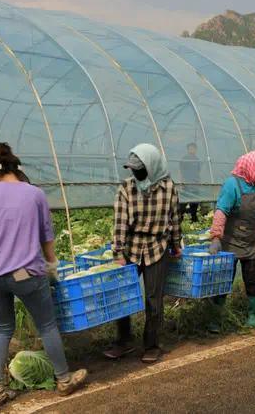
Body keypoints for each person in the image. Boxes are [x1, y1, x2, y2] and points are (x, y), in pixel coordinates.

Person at [0, 143, 87, 414]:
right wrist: (53, 268)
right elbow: (47, 238)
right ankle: (64, 379)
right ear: (18, 172)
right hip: (27, 275)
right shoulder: (35, 194)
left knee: (1, 329)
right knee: (46, 326)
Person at [104, 143, 183, 363]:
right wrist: (118, 253)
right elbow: (119, 222)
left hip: (157, 247)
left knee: (153, 298)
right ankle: (124, 340)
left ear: (153, 167)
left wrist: (176, 244)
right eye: (133, 170)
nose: (136, 173)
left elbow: (174, 218)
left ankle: (152, 344)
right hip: (131, 247)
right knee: (123, 295)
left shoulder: (168, 188)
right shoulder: (126, 188)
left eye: (140, 169)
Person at [207, 151, 255, 330]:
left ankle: (253, 314)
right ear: (252, 167)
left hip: (252, 242)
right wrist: (216, 237)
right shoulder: (233, 185)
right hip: (231, 242)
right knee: (224, 280)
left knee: (252, 280)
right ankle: (216, 318)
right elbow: (221, 211)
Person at [179, 143, 202, 223]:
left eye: (193, 148)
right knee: (184, 202)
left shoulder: (197, 159)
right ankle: (180, 217)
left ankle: (194, 218)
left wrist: (199, 181)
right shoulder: (184, 159)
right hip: (187, 183)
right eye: (190, 148)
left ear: (196, 150)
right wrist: (182, 182)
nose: (192, 150)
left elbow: (198, 171)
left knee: (195, 202)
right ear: (188, 149)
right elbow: (181, 171)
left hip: (195, 184)